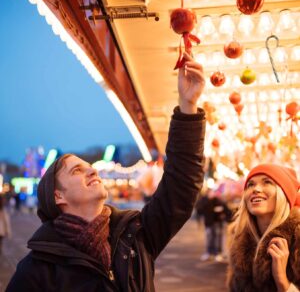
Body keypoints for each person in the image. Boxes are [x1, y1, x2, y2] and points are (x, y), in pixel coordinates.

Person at [6, 52, 206, 292]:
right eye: (77, 171)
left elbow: (181, 187)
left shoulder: (135, 235)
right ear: (58, 196)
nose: (91, 170)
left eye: (89, 166)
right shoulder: (37, 271)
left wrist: (188, 107)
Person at [227, 163, 300, 292]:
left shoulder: (297, 236)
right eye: (251, 184)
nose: (256, 189)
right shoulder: (238, 239)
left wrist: (282, 281)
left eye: (267, 182)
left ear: (283, 193)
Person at [195, 188, 231, 262]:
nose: (212, 194)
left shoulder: (218, 200)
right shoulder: (204, 200)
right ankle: (209, 253)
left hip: (218, 222)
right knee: (209, 238)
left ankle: (218, 253)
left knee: (218, 238)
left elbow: (226, 210)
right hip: (208, 223)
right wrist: (208, 200)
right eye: (210, 192)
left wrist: (226, 218)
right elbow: (199, 210)